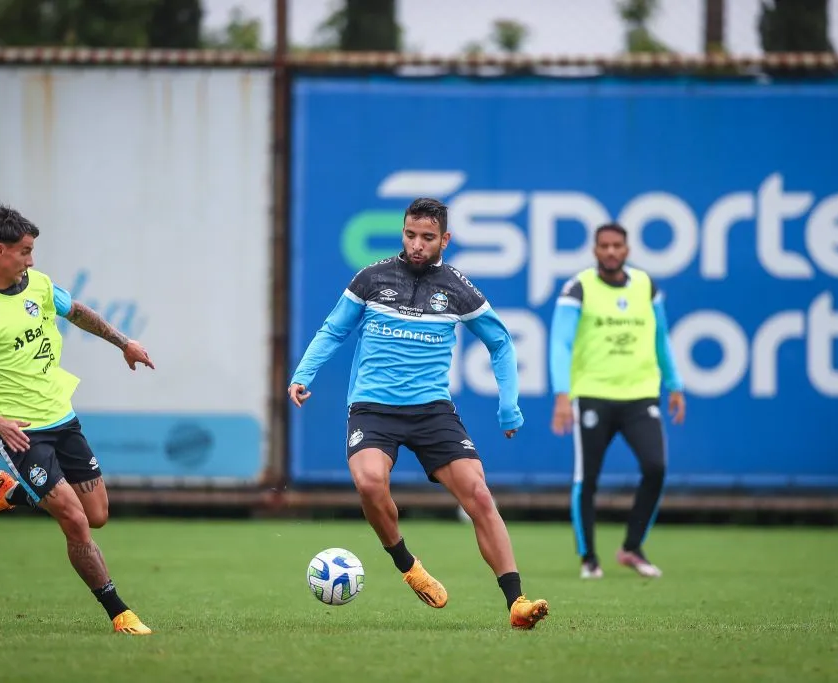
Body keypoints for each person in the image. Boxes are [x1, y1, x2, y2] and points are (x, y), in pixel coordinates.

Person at [288, 197, 549, 630]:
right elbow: (334, 329)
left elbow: (500, 342)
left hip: (431, 412)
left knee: (479, 495)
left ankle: (516, 603)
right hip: (373, 408)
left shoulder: (457, 288)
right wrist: (304, 374)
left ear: (445, 239)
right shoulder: (372, 279)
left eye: (428, 237)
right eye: (411, 235)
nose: (417, 244)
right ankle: (408, 565)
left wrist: (509, 406)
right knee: (370, 483)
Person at [0, 205, 155, 635]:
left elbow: (77, 311)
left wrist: (124, 342)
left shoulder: (38, 285)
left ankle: (11, 494)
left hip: (62, 418)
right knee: (75, 521)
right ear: (0, 250)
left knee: (96, 513)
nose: (31, 260)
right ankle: (120, 613)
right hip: (20, 432)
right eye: (25, 251)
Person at [548, 222, 686, 580]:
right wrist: (563, 395)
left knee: (655, 467)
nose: (610, 252)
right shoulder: (578, 288)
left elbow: (661, 337)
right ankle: (589, 558)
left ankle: (631, 547)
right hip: (593, 393)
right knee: (587, 478)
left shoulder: (646, 286)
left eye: (617, 246)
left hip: (640, 394)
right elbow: (560, 343)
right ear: (595, 250)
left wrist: (675, 384)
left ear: (626, 250)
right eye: (604, 246)